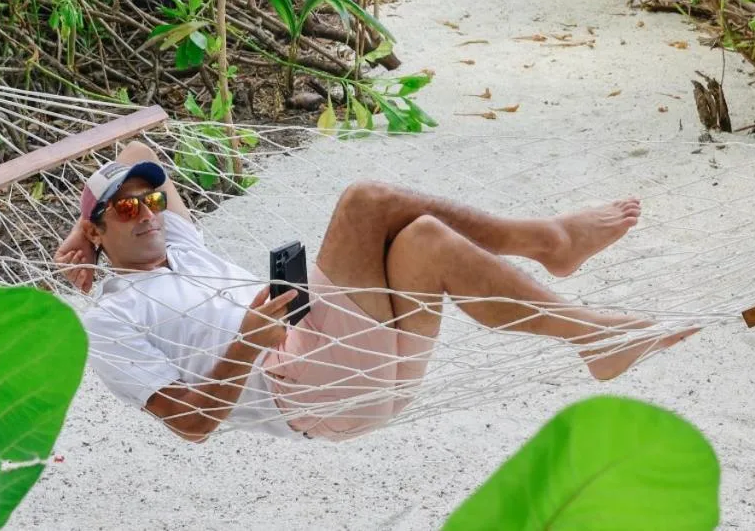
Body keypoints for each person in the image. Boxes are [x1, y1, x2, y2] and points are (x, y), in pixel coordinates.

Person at [55, 141, 694, 443]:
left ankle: (594, 338)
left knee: (424, 240)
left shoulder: (180, 244)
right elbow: (190, 425)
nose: (150, 214)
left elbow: (138, 146)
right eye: (128, 211)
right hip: (303, 387)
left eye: (153, 200)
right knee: (366, 201)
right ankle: (551, 242)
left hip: (370, 371)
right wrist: (248, 344)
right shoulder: (110, 321)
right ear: (103, 229)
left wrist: (77, 235)